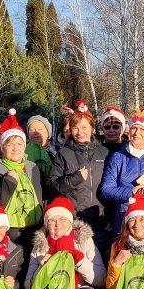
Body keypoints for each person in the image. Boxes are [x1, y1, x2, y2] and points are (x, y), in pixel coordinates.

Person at [48, 108, 111, 256]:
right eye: (75, 128)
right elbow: (52, 185)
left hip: (100, 218)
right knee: (78, 261)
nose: (79, 132)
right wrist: (75, 178)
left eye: (84, 127)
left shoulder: (104, 152)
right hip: (75, 220)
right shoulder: (63, 154)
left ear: (92, 129)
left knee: (100, 262)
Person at [0, 111, 45, 255]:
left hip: (34, 231)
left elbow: (42, 196)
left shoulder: (33, 168)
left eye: (19, 144)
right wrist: (9, 182)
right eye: (10, 144)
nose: (15, 148)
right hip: (9, 234)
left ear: (24, 146)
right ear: (2, 148)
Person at [100, 108, 144, 237]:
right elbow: (106, 189)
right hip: (124, 220)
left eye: (142, 129)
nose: (137, 133)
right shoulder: (118, 157)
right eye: (133, 128)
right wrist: (131, 192)